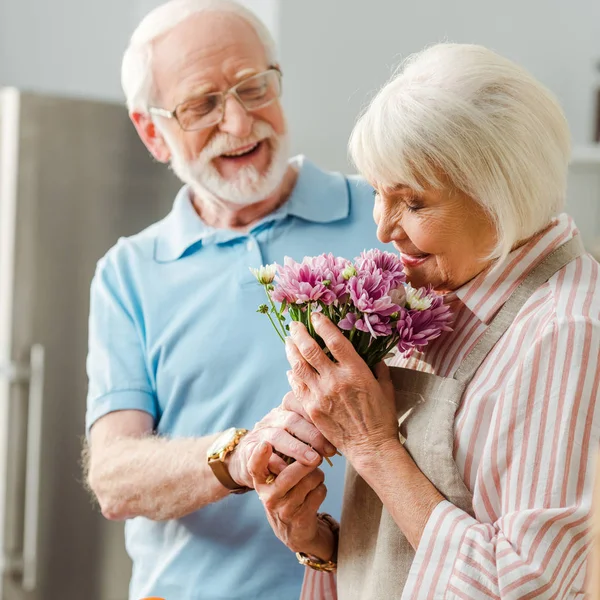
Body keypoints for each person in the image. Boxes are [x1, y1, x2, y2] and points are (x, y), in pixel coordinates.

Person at [251, 43, 600, 599]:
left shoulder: (568, 331)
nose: (384, 228)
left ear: (500, 196)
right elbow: (411, 549)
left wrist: (372, 447)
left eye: (413, 203)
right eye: (377, 193)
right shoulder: (440, 294)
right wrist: (319, 543)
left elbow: (528, 588)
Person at [83, 1, 384, 599]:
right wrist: (237, 456)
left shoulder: (384, 216)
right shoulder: (129, 272)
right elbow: (114, 476)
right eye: (202, 105)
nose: (241, 124)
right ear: (153, 131)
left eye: (254, 88)